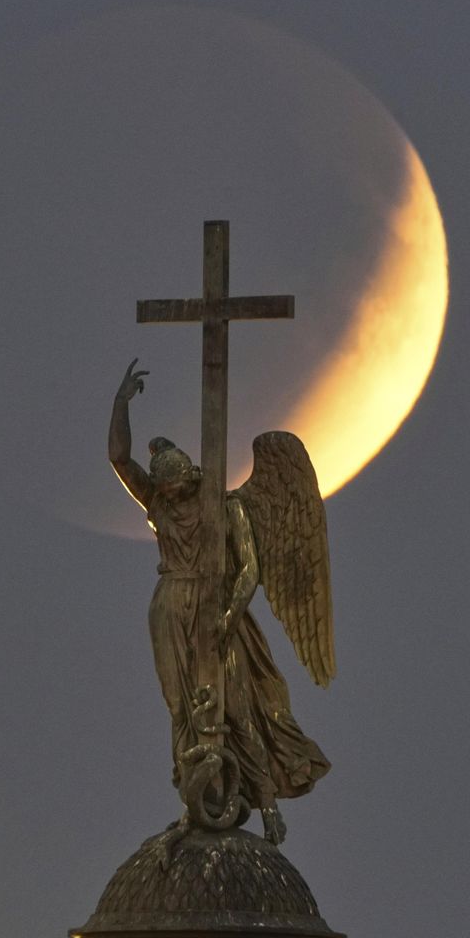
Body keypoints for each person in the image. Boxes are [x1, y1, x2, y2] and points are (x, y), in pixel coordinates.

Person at [108, 360, 330, 844]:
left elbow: (250, 567)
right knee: (182, 707)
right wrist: (121, 404)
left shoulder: (225, 507)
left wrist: (229, 616)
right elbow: (120, 461)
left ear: (190, 477)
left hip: (219, 610)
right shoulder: (160, 503)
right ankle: (197, 796)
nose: (171, 497)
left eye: (179, 488)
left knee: (238, 706)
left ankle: (266, 803)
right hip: (170, 607)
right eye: (165, 491)